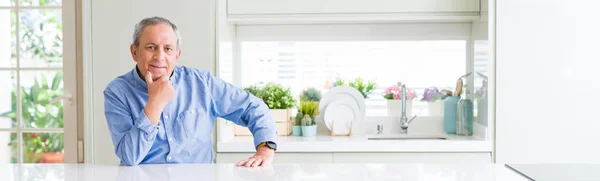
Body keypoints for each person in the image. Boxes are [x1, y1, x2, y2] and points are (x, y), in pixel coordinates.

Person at [103, 16, 278, 167]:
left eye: (168, 49)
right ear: (134, 52)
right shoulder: (117, 92)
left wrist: (265, 148)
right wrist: (155, 105)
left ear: (177, 55)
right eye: (151, 47)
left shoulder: (202, 83)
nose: (160, 56)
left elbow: (253, 107)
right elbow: (129, 157)